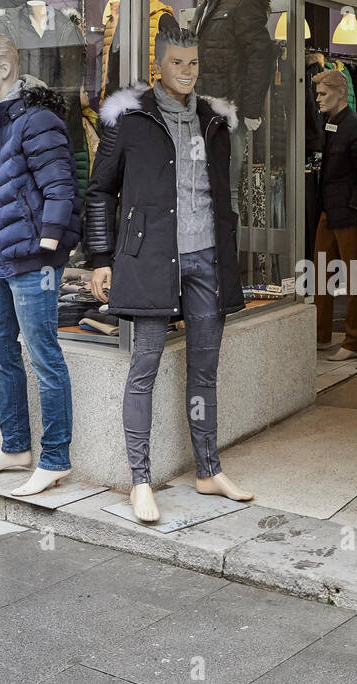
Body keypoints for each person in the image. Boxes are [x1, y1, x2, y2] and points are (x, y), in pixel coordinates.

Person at [87, 27, 252, 524]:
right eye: (177, 62)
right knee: (145, 368)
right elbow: (100, 190)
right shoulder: (131, 117)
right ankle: (140, 480)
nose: (187, 71)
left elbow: (220, 192)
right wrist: (101, 256)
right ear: (159, 64)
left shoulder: (213, 120)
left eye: (194, 62)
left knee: (204, 371)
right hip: (152, 259)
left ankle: (209, 469)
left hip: (207, 259)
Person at [0, 33, 81, 498]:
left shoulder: (38, 120)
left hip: (34, 260)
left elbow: (61, 185)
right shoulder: (0, 120)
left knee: (43, 355)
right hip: (3, 259)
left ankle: (55, 459)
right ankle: (14, 447)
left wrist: (48, 241)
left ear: (4, 70)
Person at [311, 68, 357, 361]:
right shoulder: (328, 123)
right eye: (317, 94)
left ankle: (354, 341)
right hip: (328, 210)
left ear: (340, 93)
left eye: (323, 93)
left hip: (347, 214)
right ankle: (321, 335)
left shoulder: (354, 126)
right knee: (320, 274)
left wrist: (355, 206)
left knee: (354, 277)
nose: (318, 98)